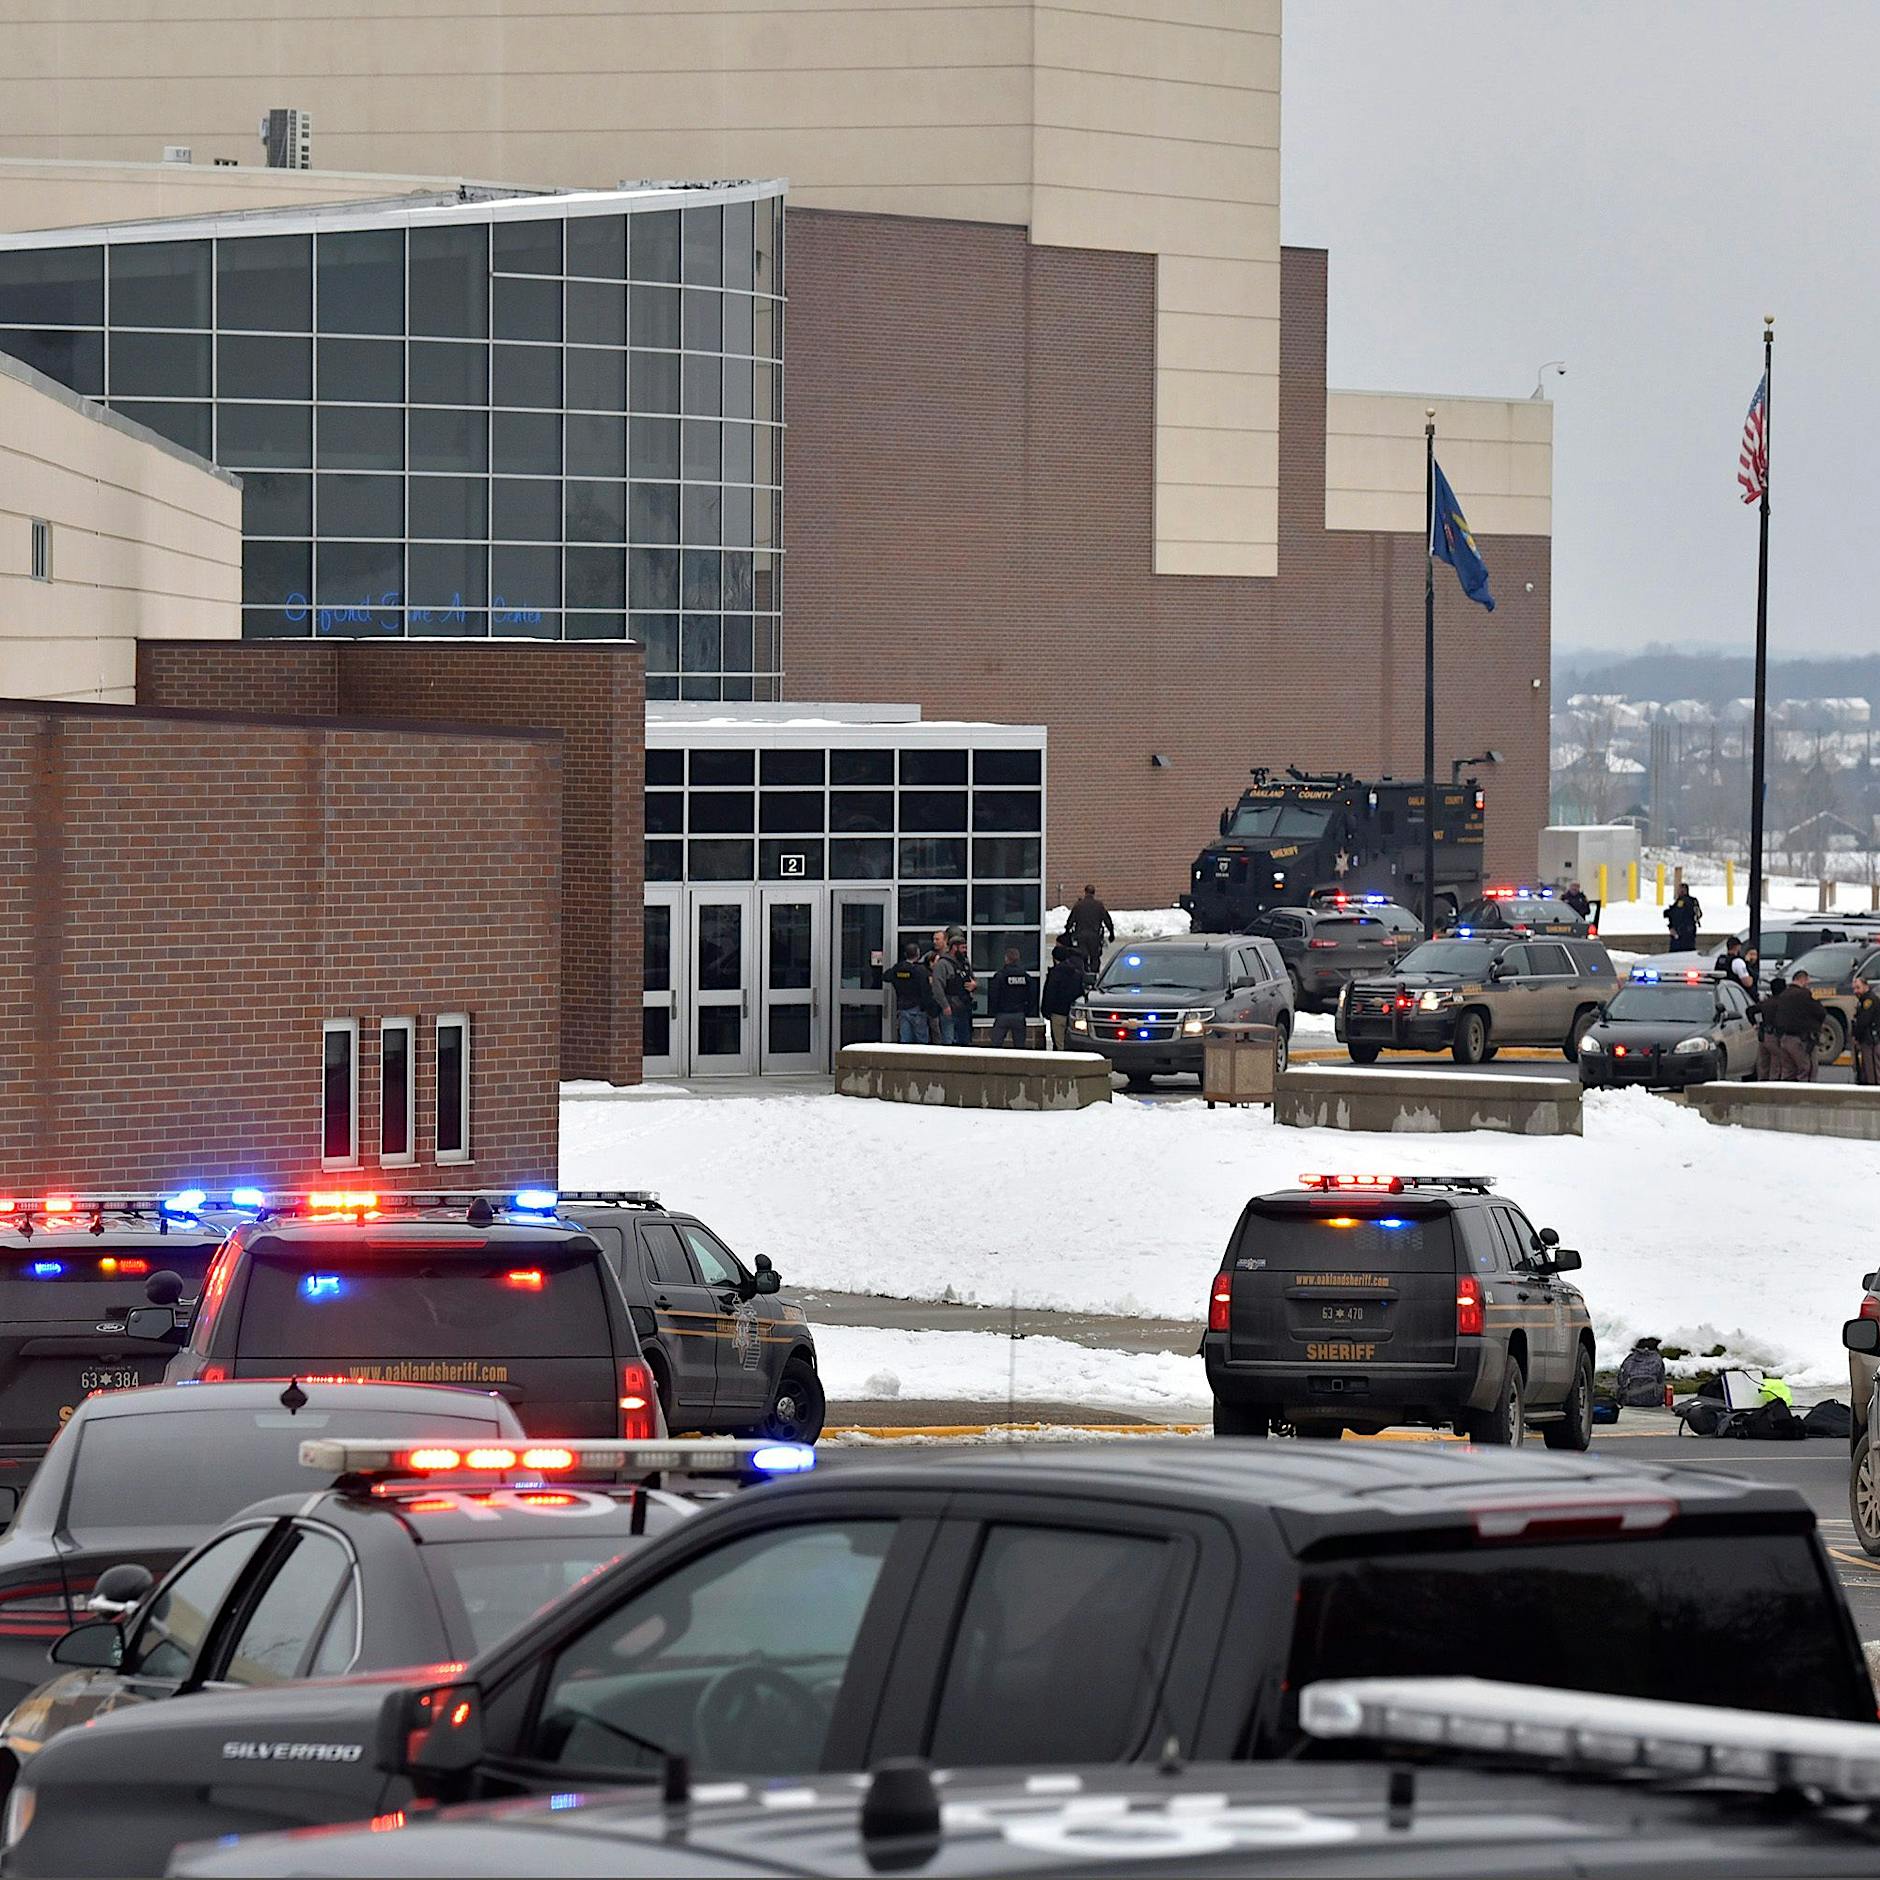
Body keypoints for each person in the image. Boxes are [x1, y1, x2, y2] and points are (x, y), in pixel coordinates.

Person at [1770, 969, 1824, 1082]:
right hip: (1800, 1039)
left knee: (1788, 1071)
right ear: (1803, 980)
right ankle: (1804, 1097)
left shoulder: (1783, 995)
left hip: (1784, 1039)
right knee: (1805, 1069)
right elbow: (1820, 1012)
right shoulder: (1804, 994)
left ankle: (1787, 1097)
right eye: (1807, 982)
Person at [885, 940, 941, 1044]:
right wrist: (931, 1009)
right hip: (917, 1009)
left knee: (905, 1041)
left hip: (902, 1008)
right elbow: (926, 991)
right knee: (921, 1041)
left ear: (906, 954)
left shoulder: (898, 968)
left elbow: (886, 976)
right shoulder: (920, 971)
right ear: (918, 954)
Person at [1040, 934, 1087, 1051]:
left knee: (1059, 1044)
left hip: (1058, 1013)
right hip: (1072, 1012)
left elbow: (1050, 993)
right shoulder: (1077, 971)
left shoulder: (1056, 973)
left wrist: (1046, 1011)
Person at [986, 946, 1038, 1049]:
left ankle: (995, 1064)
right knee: (1020, 1047)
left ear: (1006, 959)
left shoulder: (1000, 976)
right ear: (1018, 959)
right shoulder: (1025, 976)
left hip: (1002, 1014)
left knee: (995, 1046)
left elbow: (993, 995)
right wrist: (1027, 1010)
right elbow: (1033, 995)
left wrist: (994, 1010)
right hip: (1019, 1015)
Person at [1066, 884, 1115, 974]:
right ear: (1094, 893)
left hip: (1081, 935)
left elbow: (1070, 920)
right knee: (1095, 957)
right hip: (1095, 936)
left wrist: (1067, 932)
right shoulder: (1099, 905)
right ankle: (1094, 975)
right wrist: (1111, 933)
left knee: (1082, 956)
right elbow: (1107, 920)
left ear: (1085, 892)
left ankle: (1084, 974)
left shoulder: (1078, 905)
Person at [1749, 974, 1788, 1081]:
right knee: (1776, 1063)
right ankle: (1773, 1086)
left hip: (1763, 1035)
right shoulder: (1783, 1003)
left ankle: (1761, 1086)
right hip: (1776, 1036)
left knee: (1763, 1064)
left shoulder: (1766, 1002)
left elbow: (1750, 1011)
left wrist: (1754, 1024)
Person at [945, 929, 978, 1044]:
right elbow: (938, 987)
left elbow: (972, 978)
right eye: (963, 948)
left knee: (965, 1040)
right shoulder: (944, 962)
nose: (965, 951)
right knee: (949, 1040)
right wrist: (945, 1006)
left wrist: (974, 985)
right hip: (951, 1006)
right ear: (954, 947)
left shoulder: (965, 962)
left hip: (965, 1006)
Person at [1852, 975, 1880, 1086]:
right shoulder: (1863, 1000)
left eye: (1858, 988)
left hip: (1871, 1040)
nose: (1856, 991)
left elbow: (1864, 1021)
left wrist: (1856, 1036)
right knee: (1867, 1069)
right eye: (1854, 988)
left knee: (1872, 1069)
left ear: (1866, 986)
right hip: (1868, 1039)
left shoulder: (1869, 1000)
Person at [1664, 884, 1702, 953]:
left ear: (1683, 891)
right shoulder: (1693, 901)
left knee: (1676, 953)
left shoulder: (1682, 901)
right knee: (1689, 952)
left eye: (1679, 890)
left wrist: (1668, 913)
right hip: (1691, 932)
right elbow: (1699, 914)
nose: (1677, 892)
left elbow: (1677, 915)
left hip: (1681, 933)